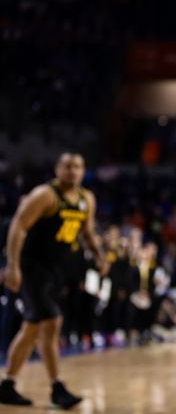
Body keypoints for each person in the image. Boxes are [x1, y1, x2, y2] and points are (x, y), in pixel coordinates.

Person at [0, 153, 106, 408]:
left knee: (32, 329)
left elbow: (88, 232)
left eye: (78, 166)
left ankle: (7, 385)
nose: (73, 171)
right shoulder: (45, 195)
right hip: (32, 267)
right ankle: (57, 388)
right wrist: (12, 266)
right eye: (68, 166)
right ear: (58, 169)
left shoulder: (86, 199)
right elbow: (18, 226)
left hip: (55, 271)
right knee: (52, 321)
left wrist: (100, 255)